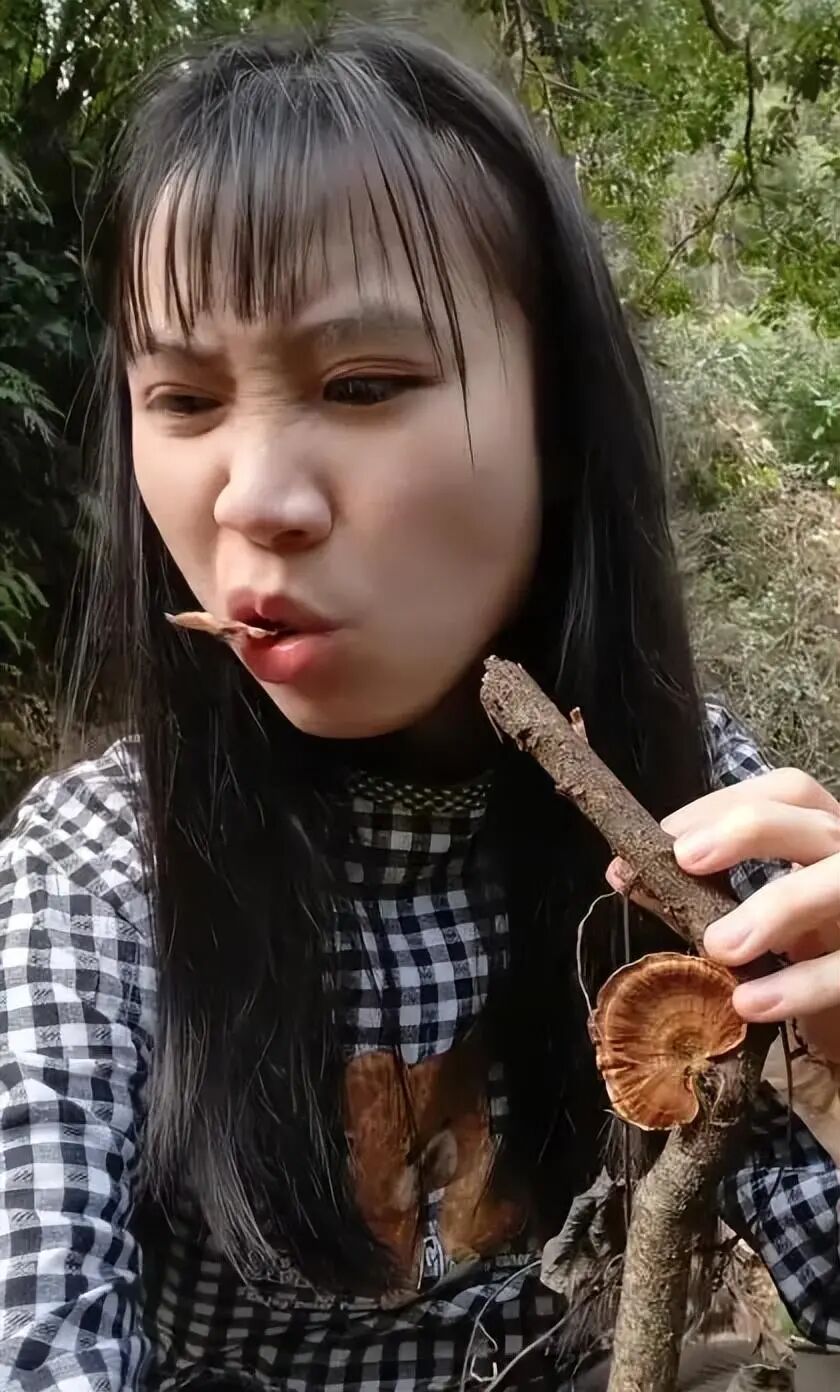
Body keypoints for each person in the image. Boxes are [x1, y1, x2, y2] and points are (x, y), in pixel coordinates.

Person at [0, 21, 838, 1392]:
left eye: (364, 385)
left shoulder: (692, 818)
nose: (254, 501)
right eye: (184, 399)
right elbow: (36, 1339)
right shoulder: (101, 872)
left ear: (557, 422)